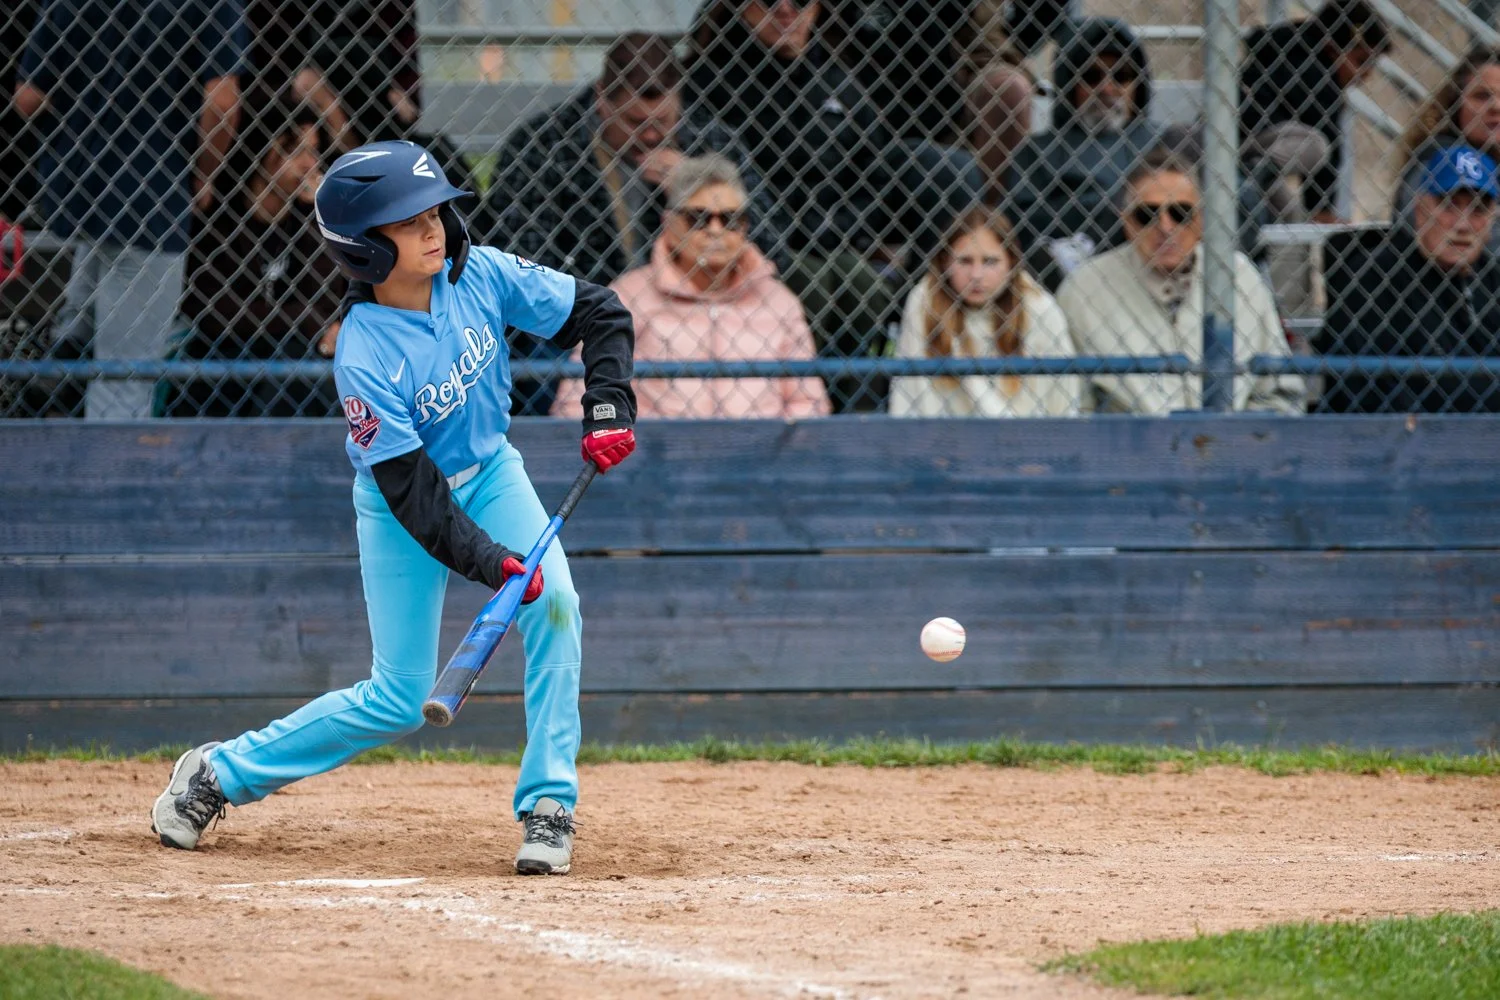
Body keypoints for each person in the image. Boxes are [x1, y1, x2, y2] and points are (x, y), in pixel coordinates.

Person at [150, 140, 638, 877]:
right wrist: (493, 562)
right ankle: (219, 773)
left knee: (558, 602)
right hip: (401, 506)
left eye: (434, 210)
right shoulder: (364, 353)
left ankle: (549, 805)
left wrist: (607, 403)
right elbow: (414, 495)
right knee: (399, 698)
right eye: (409, 222)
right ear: (364, 250)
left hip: (492, 473)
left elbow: (602, 313)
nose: (433, 228)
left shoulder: (480, 273)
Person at [685, 0, 982, 413]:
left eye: (801, 3)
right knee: (820, 281)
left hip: (836, 232)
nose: (787, 12)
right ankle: (803, 403)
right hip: (761, 239)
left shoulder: (836, 81)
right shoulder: (711, 83)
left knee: (858, 278)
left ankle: (867, 398)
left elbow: (873, 172)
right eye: (771, 3)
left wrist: (841, 226)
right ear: (742, 8)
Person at [481, 33, 786, 416]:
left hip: (693, 310)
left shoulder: (708, 142)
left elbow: (772, 243)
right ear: (601, 101)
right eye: (635, 121)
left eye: (665, 120)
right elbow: (517, 257)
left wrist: (694, 183)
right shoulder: (544, 147)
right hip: (581, 319)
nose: (653, 133)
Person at [15, 0, 244, 419]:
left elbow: (29, 97)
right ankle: (101, 473)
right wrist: (205, 172)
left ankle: (67, 356)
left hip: (77, 185)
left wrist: (87, 112)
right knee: (125, 379)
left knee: (92, 291)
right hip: (151, 194)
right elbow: (222, 101)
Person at [558, 155, 827, 419]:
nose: (715, 230)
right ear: (668, 223)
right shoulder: (629, 296)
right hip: (655, 455)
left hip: (762, 455)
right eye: (698, 218)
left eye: (730, 219)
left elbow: (809, 403)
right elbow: (578, 399)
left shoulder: (778, 301)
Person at [1057, 147, 1304, 415]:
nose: (1165, 227)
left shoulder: (1239, 276)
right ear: (1126, 222)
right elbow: (1071, 404)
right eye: (1146, 215)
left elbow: (1280, 392)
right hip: (1129, 447)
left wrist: (1241, 442)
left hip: (1233, 445)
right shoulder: (1085, 288)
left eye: (1181, 213)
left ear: (1201, 219)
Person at [159, 87, 344, 417]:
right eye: (297, 151)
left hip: (291, 355)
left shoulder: (309, 220)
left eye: (314, 152)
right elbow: (219, 313)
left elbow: (327, 297)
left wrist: (320, 215)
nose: (311, 164)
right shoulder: (217, 220)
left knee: (297, 362)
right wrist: (310, 323)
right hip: (224, 359)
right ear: (263, 153)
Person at [818, 0, 1070, 197]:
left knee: (1008, 88)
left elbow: (997, 38)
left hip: (947, 99)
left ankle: (985, 226)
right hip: (857, 90)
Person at [1317, 144, 1500, 413]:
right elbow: (1374, 395)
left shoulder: (1491, 278)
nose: (1462, 225)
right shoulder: (1374, 278)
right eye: (1449, 205)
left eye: (1477, 210)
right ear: (1420, 209)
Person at [1004, 17, 1160, 293]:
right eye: (1091, 76)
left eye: (1121, 76)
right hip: (1075, 269)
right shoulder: (1039, 151)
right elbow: (1021, 222)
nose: (1107, 88)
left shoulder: (1164, 141)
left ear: (1138, 84)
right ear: (1070, 84)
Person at [890, 206, 1079, 417]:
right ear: (945, 262)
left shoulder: (1039, 307)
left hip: (1025, 439)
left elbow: (1063, 403)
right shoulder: (925, 300)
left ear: (1011, 262)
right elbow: (909, 395)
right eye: (964, 261)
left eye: (990, 261)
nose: (976, 275)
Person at [1240, 0, 1392, 226]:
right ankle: (1250, 173)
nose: (1367, 73)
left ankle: (1253, 175)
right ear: (1332, 49)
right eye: (1361, 61)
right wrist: (1321, 209)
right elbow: (1329, 140)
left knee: (1290, 215)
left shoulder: (1292, 52)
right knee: (1315, 145)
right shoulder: (1313, 71)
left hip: (1255, 149)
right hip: (1244, 142)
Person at [1394, 45, 1500, 248]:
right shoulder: (1441, 157)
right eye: (1482, 96)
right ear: (1456, 104)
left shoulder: (1490, 158)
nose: (1496, 106)